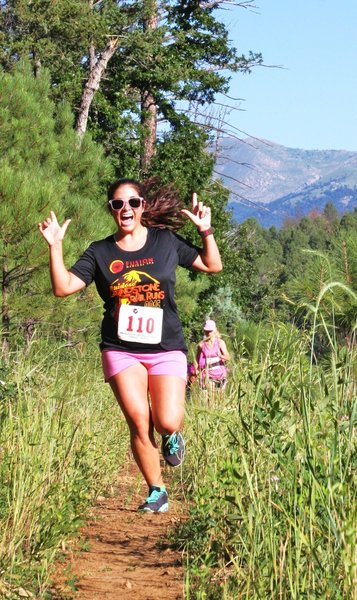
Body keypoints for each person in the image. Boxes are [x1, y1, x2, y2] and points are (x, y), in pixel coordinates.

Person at [38, 178, 222, 514]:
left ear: (143, 206)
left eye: (132, 203)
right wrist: (55, 246)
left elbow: (213, 266)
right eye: (118, 204)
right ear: (111, 210)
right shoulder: (100, 252)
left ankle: (171, 435)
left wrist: (206, 232)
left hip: (166, 346)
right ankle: (157, 491)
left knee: (166, 419)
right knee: (139, 419)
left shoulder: (165, 241)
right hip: (120, 348)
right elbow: (63, 288)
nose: (126, 209)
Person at [196, 320, 230, 390]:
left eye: (210, 331)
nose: (208, 333)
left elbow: (228, 357)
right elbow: (197, 360)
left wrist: (221, 356)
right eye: (206, 331)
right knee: (211, 396)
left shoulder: (220, 342)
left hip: (220, 374)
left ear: (214, 330)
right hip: (208, 375)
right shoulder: (201, 345)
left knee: (220, 399)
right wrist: (197, 370)